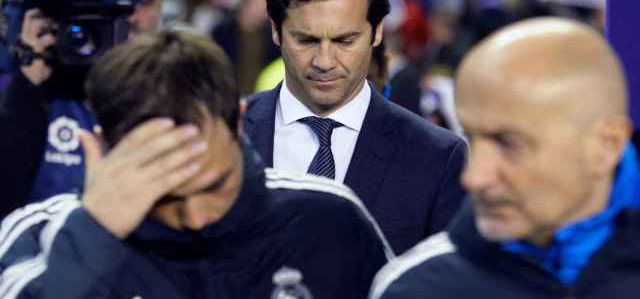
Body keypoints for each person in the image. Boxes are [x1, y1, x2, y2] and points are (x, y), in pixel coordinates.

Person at [0, 29, 392, 299]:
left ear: (239, 121)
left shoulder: (329, 218)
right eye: (163, 196)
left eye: (214, 185)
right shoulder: (40, 236)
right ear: (103, 148)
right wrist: (95, 234)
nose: (195, 217)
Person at [370, 17, 640, 298]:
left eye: (509, 144)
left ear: (606, 146)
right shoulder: (416, 289)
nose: (474, 178)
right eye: (472, 138)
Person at [244, 0, 467, 255]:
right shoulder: (224, 135)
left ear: (377, 32)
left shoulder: (438, 159)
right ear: (276, 31)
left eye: (345, 40)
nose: (324, 61)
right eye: (306, 40)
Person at [0, 0, 165, 217]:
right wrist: (29, 78)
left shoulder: (172, 95)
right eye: (114, 7)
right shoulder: (41, 93)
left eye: (145, 0)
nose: (132, 17)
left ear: (162, 9)